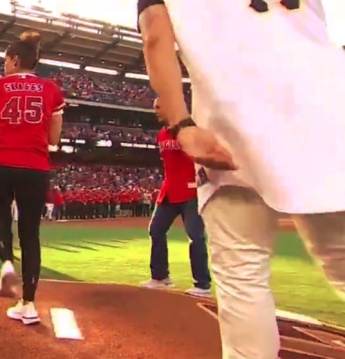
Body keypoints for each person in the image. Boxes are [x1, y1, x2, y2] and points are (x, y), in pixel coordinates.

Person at [137, 0, 345, 358]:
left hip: (230, 129)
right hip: (324, 119)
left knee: (242, 279)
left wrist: (183, 124)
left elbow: (156, 35)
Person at [0, 30, 65, 325]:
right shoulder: (52, 90)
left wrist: (0, 121)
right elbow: (54, 137)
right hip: (35, 165)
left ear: (13, 60)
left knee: (0, 215)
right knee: (30, 233)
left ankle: (7, 262)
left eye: (4, 60)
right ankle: (29, 303)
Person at [142, 97, 211, 298]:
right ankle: (161, 277)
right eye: (154, 107)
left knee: (195, 236)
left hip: (191, 191)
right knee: (156, 230)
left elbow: (201, 157)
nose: (155, 111)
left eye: (158, 107)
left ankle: (202, 284)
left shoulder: (190, 129)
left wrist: (203, 182)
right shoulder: (162, 134)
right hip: (169, 191)